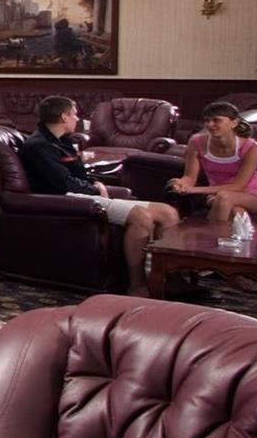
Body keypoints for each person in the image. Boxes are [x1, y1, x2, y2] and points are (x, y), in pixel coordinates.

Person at [19, 95, 179, 295]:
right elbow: (63, 184)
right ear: (63, 117)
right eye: (74, 114)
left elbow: (77, 174)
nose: (77, 118)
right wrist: (94, 190)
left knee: (168, 212)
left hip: (81, 193)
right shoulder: (39, 145)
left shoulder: (62, 141)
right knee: (141, 217)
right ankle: (137, 284)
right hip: (68, 200)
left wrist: (94, 183)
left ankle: (170, 280)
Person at [168, 101, 257, 225]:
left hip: (254, 195)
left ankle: (207, 235)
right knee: (237, 212)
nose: (210, 125)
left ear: (234, 123)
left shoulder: (251, 147)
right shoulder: (196, 142)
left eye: (216, 120)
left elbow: (238, 186)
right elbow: (189, 177)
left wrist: (194, 190)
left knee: (225, 197)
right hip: (217, 195)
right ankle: (224, 237)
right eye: (207, 121)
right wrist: (181, 184)